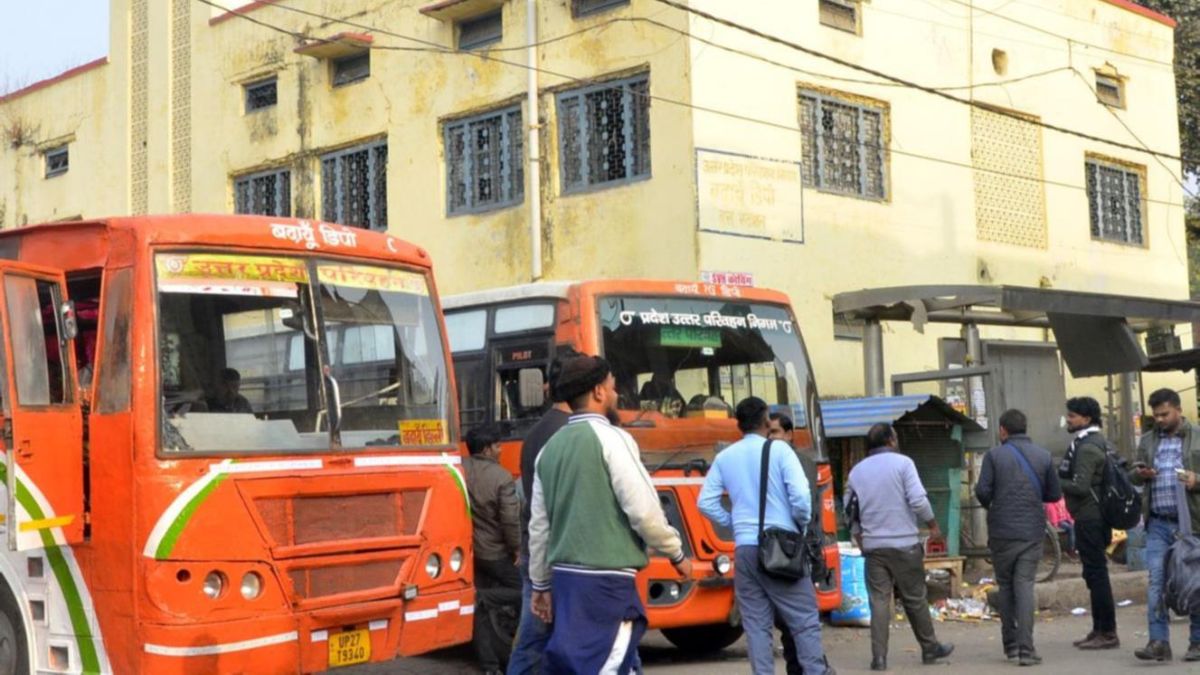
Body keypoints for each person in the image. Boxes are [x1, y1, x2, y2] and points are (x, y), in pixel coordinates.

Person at [528, 355, 691, 674]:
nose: (617, 395)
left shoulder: (549, 449)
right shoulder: (614, 439)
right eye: (614, 388)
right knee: (605, 664)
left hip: (565, 582)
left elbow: (539, 528)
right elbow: (644, 511)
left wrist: (540, 585)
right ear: (599, 392)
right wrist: (676, 553)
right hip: (607, 583)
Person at [698, 400, 833, 675]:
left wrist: (736, 524)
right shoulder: (780, 450)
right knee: (804, 620)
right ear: (765, 421)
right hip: (782, 545)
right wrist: (800, 525)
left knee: (756, 625)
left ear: (738, 423)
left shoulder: (725, 456)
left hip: (745, 550)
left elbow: (705, 502)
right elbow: (801, 498)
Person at [845, 423, 954, 671]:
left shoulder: (856, 472)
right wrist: (933, 526)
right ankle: (929, 648)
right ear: (891, 441)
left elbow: (849, 510)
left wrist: (859, 538)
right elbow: (918, 500)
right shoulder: (904, 464)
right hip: (905, 544)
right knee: (915, 598)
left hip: (874, 548)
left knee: (879, 601)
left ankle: (879, 658)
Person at [974, 409, 1062, 665]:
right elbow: (1054, 495)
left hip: (1001, 532)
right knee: (1024, 585)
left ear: (1003, 430)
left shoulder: (994, 456)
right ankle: (1026, 649)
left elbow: (982, 491)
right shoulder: (1043, 456)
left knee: (1006, 586)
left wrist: (996, 505)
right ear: (1025, 428)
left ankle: (1010, 645)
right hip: (1031, 531)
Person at [508, 350, 575, 675]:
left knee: (539, 639)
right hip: (558, 551)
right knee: (539, 639)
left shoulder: (537, 431)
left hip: (539, 548)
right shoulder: (569, 432)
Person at [1129, 388, 1200, 662]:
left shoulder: (1196, 436)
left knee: (1194, 583)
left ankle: (1196, 642)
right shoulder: (1148, 441)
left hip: (1192, 524)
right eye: (1156, 415)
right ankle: (1158, 641)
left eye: (1164, 414)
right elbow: (1132, 476)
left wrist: (1196, 480)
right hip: (1158, 523)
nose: (1159, 419)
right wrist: (1140, 473)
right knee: (1156, 582)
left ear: (1178, 410)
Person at [1057, 396, 1119, 650]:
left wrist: (1053, 483)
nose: (1068, 420)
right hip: (1093, 515)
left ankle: (1108, 632)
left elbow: (1080, 486)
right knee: (1093, 574)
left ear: (1086, 419)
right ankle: (1099, 629)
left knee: (1097, 574)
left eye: (1072, 416)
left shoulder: (1088, 447)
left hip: (1090, 517)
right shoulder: (1093, 442)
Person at [465, 424, 522, 675]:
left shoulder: (459, 469)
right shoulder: (501, 477)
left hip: (468, 552)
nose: (500, 450)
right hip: (494, 552)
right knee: (525, 591)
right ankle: (486, 598)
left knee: (478, 611)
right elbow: (510, 520)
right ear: (488, 449)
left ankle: (489, 666)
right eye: (498, 445)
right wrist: (517, 548)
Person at [768, 411, 821, 675]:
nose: (771, 438)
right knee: (788, 618)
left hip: (796, 548)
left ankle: (810, 667)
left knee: (799, 619)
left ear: (789, 434)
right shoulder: (767, 459)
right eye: (768, 433)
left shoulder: (800, 462)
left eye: (776, 432)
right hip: (776, 548)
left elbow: (806, 508)